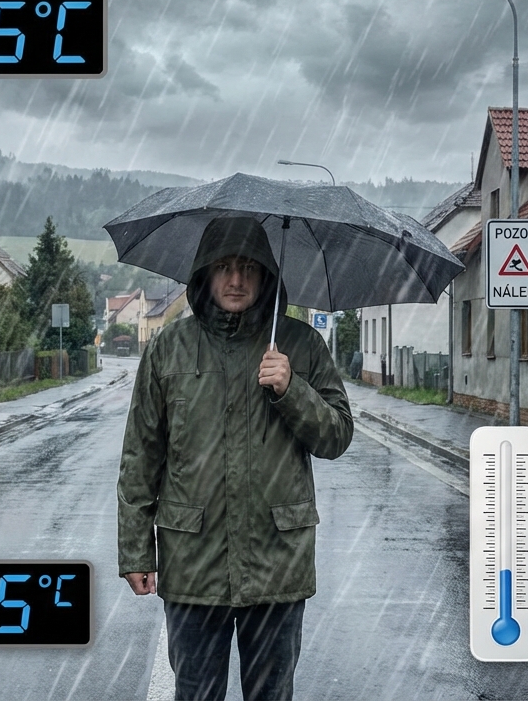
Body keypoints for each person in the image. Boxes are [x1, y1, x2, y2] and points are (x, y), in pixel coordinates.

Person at [118, 216, 352, 701]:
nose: (236, 279)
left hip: (276, 564)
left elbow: (337, 436)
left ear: (267, 273)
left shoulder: (301, 345)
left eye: (248, 266)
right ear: (203, 274)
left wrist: (292, 389)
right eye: (223, 266)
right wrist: (136, 550)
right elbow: (141, 456)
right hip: (192, 564)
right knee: (196, 694)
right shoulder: (169, 348)